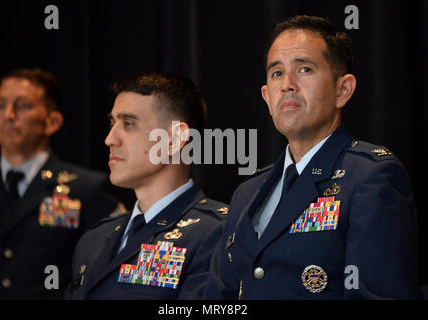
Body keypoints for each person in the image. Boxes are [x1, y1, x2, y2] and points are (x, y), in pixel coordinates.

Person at [204, 15, 418, 299]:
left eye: (304, 69)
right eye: (277, 73)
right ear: (266, 96)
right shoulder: (247, 192)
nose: (287, 85)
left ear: (343, 90)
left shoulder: (370, 176)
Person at [64, 72, 228, 300]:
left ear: (174, 139)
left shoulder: (218, 232)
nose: (110, 139)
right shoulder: (94, 240)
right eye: (112, 123)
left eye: (128, 124)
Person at [0, 68, 127, 299]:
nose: (8, 115)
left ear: (52, 122)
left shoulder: (87, 190)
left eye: (22, 106)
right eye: (1, 105)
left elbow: (113, 270)